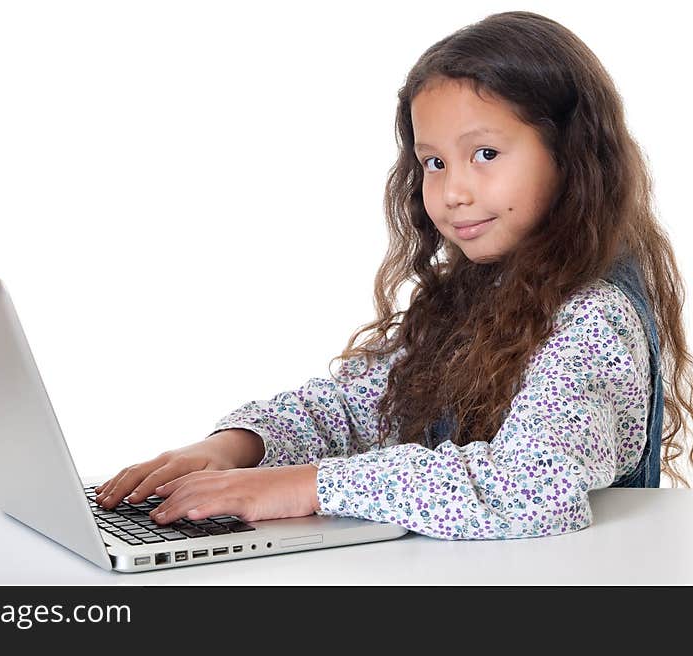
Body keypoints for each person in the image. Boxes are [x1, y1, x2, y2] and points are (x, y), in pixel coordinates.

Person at [94, 10, 693, 539]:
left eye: (485, 154)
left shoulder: (594, 313)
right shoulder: (485, 288)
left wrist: (304, 486)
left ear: (572, 154)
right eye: (434, 161)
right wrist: (238, 446)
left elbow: (529, 486)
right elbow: (366, 401)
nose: (453, 191)